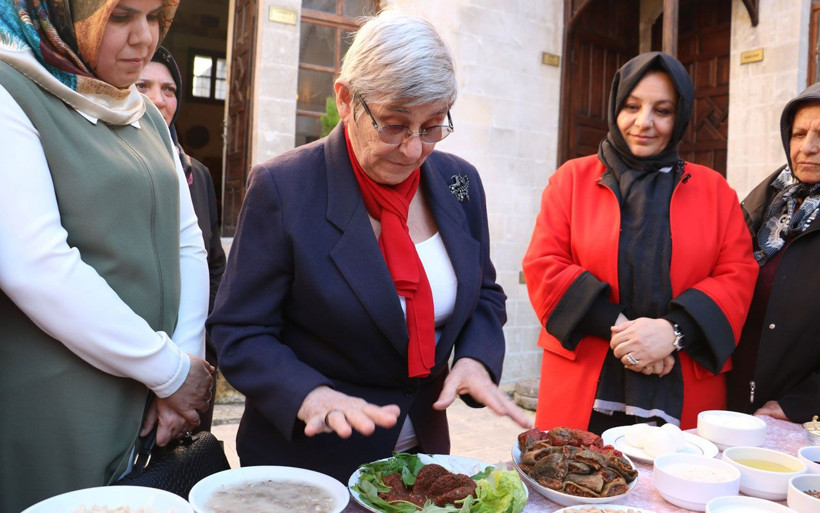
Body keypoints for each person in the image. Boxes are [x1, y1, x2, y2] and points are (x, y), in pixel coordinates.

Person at [207, 11, 531, 482]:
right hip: (312, 461)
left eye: (433, 126)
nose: (414, 149)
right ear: (345, 99)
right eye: (395, 125)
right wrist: (307, 393)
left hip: (418, 458)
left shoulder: (459, 182)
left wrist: (477, 360)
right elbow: (239, 331)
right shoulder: (285, 187)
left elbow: (483, 293)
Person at [0, 1, 213, 511]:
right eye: (121, 16)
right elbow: (35, 264)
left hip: (153, 405)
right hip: (60, 412)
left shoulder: (141, 114)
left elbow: (188, 240)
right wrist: (169, 371)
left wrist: (184, 369)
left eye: (156, 14)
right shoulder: (12, 92)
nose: (145, 37)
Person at [522, 52, 758, 434]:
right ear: (616, 106)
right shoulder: (570, 181)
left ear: (680, 116)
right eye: (632, 106)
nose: (643, 122)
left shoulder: (715, 191)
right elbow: (544, 265)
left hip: (682, 385)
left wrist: (672, 333)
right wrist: (626, 334)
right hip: (585, 385)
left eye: (662, 110)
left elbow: (738, 275)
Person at [137, 46, 226, 431]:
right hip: (131, 357)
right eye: (143, 84)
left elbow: (212, 262)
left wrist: (206, 350)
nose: (158, 98)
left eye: (169, 89)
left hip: (191, 354)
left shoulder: (198, 175)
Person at [727, 83, 820, 423]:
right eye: (798, 134)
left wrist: (804, 403)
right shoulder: (764, 199)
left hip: (790, 416)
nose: (807, 148)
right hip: (726, 396)